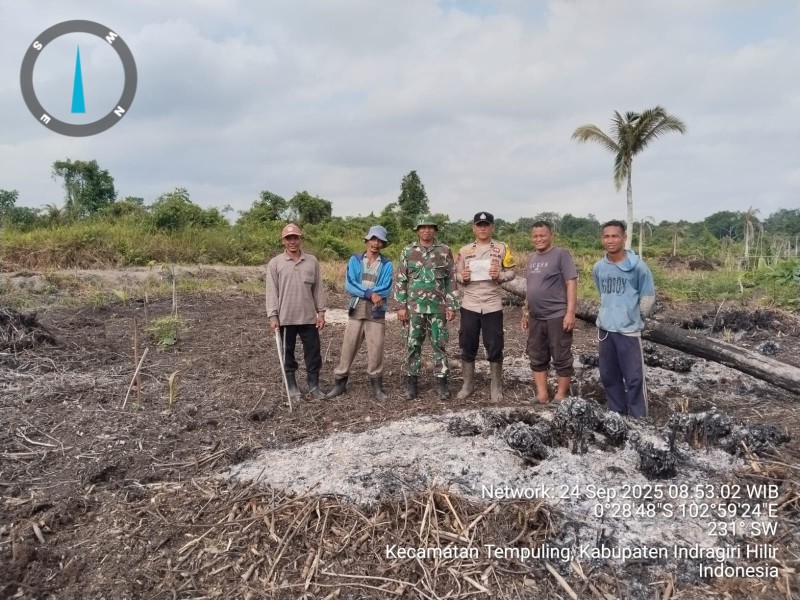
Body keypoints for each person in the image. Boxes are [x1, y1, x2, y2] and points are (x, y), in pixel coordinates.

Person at [592, 220, 656, 418]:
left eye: (615, 236)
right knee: (609, 375)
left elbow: (647, 297)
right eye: (606, 236)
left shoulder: (638, 267)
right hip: (606, 330)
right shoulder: (599, 267)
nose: (610, 240)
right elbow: (602, 293)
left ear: (624, 238)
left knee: (634, 377)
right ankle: (617, 414)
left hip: (629, 331)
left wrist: (635, 317)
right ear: (602, 238)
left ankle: (639, 417)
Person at [393, 215, 459, 400]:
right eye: (423, 227)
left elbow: (451, 279)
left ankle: (441, 382)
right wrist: (400, 306)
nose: (426, 230)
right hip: (414, 307)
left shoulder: (444, 250)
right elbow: (401, 279)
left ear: (435, 230)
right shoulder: (408, 251)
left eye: (430, 227)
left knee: (439, 344)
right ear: (417, 230)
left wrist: (452, 305)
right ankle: (411, 382)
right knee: (413, 345)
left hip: (438, 307)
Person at [326, 226, 394, 402]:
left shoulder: (387, 264)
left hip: (376, 312)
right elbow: (350, 284)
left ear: (383, 244)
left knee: (376, 349)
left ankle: (377, 387)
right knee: (348, 347)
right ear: (367, 240)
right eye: (373, 239)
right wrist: (370, 294)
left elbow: (386, 288)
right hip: (356, 309)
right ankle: (340, 382)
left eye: (379, 241)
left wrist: (368, 292)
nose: (376, 243)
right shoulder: (355, 260)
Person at [454, 212, 516, 401]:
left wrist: (500, 276)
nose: (483, 228)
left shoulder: (502, 248)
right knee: (467, 344)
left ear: (492, 227)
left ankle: (496, 387)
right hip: (470, 304)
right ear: (473, 228)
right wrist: (462, 277)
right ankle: (468, 384)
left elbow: (512, 272)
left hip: (492, 305)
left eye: (486, 225)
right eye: (479, 225)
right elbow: (456, 274)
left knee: (495, 345)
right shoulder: (465, 251)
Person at [265, 223, 327, 400]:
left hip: (308, 318)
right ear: (283, 241)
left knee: (313, 353)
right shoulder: (275, 263)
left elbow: (318, 288)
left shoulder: (312, 261)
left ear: (300, 239)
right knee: (287, 353)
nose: (292, 241)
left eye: (295, 238)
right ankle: (292, 386)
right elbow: (271, 291)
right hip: (285, 318)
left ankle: (314, 386)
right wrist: (273, 316)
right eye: (288, 238)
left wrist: (321, 312)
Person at [521, 221, 578, 403]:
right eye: (535, 236)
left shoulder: (561, 255)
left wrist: (570, 313)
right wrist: (526, 312)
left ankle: (561, 396)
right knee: (536, 355)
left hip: (557, 315)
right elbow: (530, 287)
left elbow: (571, 283)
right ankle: (542, 395)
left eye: (542, 235)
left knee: (561, 355)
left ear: (551, 235)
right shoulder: (532, 258)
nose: (539, 239)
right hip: (535, 316)